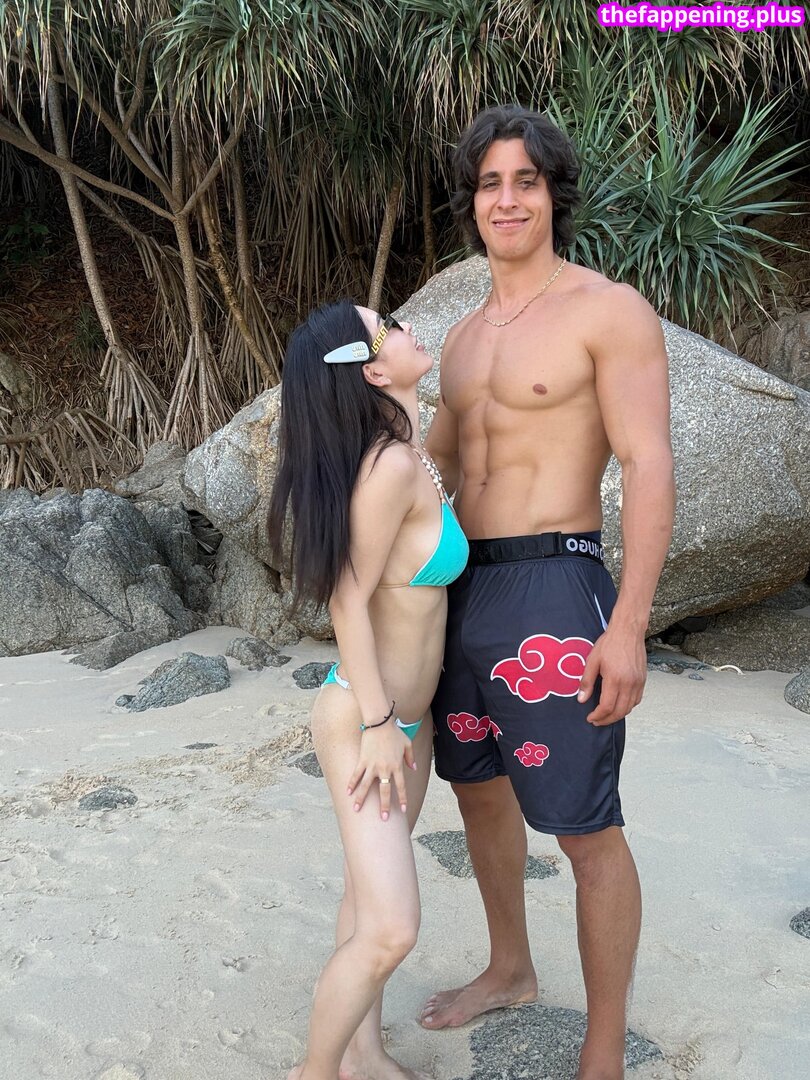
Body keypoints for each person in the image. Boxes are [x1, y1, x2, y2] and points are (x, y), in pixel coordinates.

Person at [421, 105, 675, 1080]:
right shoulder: (459, 340)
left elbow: (648, 464)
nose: (507, 199)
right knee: (478, 792)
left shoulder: (607, 311)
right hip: (460, 591)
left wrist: (629, 624)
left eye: (524, 180)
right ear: (472, 201)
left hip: (556, 584)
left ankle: (603, 1047)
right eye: (490, 183)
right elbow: (433, 471)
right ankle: (509, 967)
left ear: (552, 194)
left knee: (584, 826)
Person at [267, 300, 468, 1080]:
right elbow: (346, 599)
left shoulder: (406, 454)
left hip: (404, 725)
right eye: (391, 325)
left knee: (364, 899)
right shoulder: (389, 467)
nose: (410, 328)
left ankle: (364, 1055)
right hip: (367, 720)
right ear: (374, 370)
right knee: (391, 929)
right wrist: (384, 723)